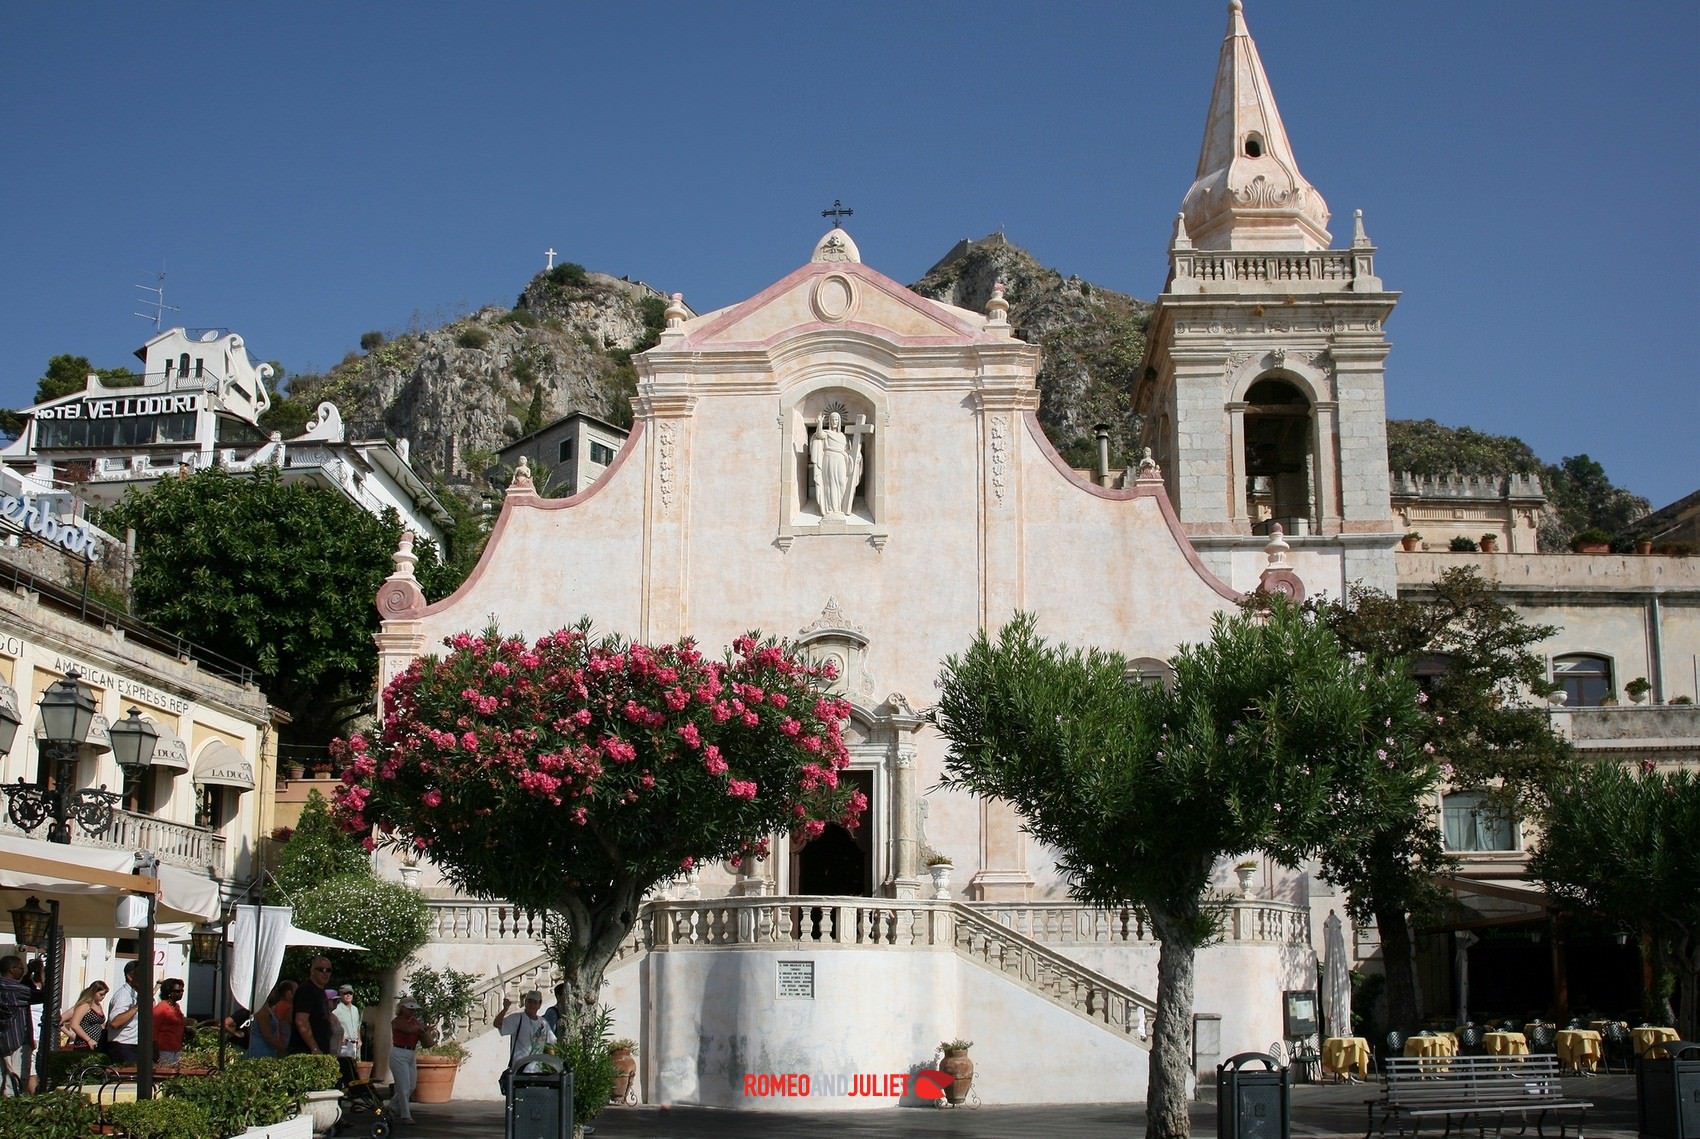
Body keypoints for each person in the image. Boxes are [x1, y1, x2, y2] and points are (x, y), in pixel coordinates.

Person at [0, 955, 44, 1095]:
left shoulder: (5, 985)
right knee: (15, 1081)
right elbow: (43, 995)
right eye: (20, 968)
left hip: (4, 1037)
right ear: (11, 969)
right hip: (16, 1039)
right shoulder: (14, 988)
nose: (22, 970)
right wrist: (42, 974)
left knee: (3, 1078)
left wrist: (29, 974)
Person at [389, 995, 436, 1125]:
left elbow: (419, 1030)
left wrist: (425, 1029)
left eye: (413, 1009)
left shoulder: (415, 1021)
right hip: (399, 1053)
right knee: (404, 1087)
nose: (412, 1011)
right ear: (402, 1009)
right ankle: (406, 1115)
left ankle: (393, 1106)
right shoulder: (397, 1021)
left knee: (411, 1086)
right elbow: (408, 1029)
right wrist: (420, 1028)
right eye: (410, 1009)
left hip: (410, 1053)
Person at [494, 989, 556, 1075]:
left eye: (535, 1002)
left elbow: (551, 1044)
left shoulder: (543, 1023)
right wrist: (505, 1009)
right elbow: (497, 1024)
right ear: (525, 1002)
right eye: (529, 1002)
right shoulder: (517, 1018)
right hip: (519, 1071)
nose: (532, 1005)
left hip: (538, 1072)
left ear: (539, 1004)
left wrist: (552, 1067)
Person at [289, 958, 334, 1056]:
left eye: (328, 970)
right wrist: (314, 1048)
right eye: (321, 970)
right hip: (306, 1053)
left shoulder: (320, 991)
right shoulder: (306, 990)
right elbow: (301, 1020)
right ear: (312, 971)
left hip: (320, 1052)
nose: (325, 973)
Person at [104, 961, 143, 1064]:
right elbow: (115, 1022)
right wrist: (137, 1006)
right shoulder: (123, 996)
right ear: (130, 976)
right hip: (123, 1047)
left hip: (134, 1045)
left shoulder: (135, 994)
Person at [249, 981, 297, 1058]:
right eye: (273, 989)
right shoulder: (261, 1010)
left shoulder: (269, 1007)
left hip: (269, 1050)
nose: (275, 992)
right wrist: (285, 1049)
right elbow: (268, 1036)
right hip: (261, 1051)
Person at [62, 981, 108, 1050]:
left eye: (104, 994)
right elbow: (74, 1024)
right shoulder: (85, 1005)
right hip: (85, 1045)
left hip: (97, 1044)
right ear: (94, 992)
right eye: (101, 994)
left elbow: (99, 1023)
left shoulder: (98, 1005)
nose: (103, 997)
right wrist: (70, 1034)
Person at [152, 978, 187, 1067]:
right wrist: (155, 1052)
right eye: (177, 991)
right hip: (164, 1050)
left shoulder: (176, 1007)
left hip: (176, 1049)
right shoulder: (161, 1008)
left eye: (182, 990)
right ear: (169, 993)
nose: (181, 993)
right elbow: (153, 1031)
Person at [332, 984, 362, 1084]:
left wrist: (360, 1039)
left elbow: (357, 1026)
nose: (348, 995)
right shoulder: (336, 1010)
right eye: (345, 993)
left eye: (350, 993)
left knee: (354, 1069)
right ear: (340, 995)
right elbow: (332, 1026)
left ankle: (350, 1091)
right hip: (344, 1045)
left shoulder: (355, 1009)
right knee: (343, 1068)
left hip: (354, 1044)